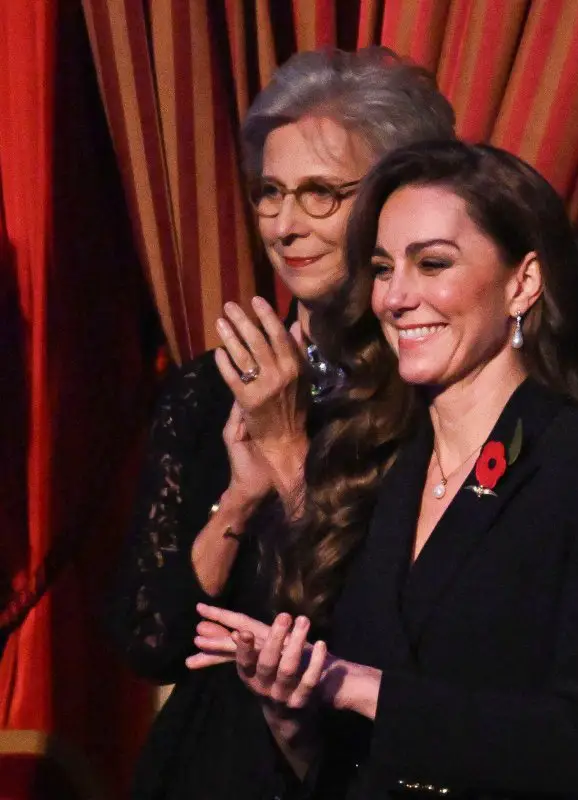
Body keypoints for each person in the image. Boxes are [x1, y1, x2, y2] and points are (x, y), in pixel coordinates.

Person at [186, 141, 578, 800]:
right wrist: (288, 706)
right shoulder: (368, 461)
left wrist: (358, 686)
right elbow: (330, 765)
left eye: (432, 263)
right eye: (383, 268)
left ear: (522, 282)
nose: (397, 297)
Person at [106, 48, 455, 800]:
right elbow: (150, 641)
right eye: (270, 193)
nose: (286, 225)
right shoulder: (210, 388)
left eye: (322, 195)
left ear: (397, 200)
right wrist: (238, 499)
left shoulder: (435, 394)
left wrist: (289, 450)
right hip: (202, 770)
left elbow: (386, 642)